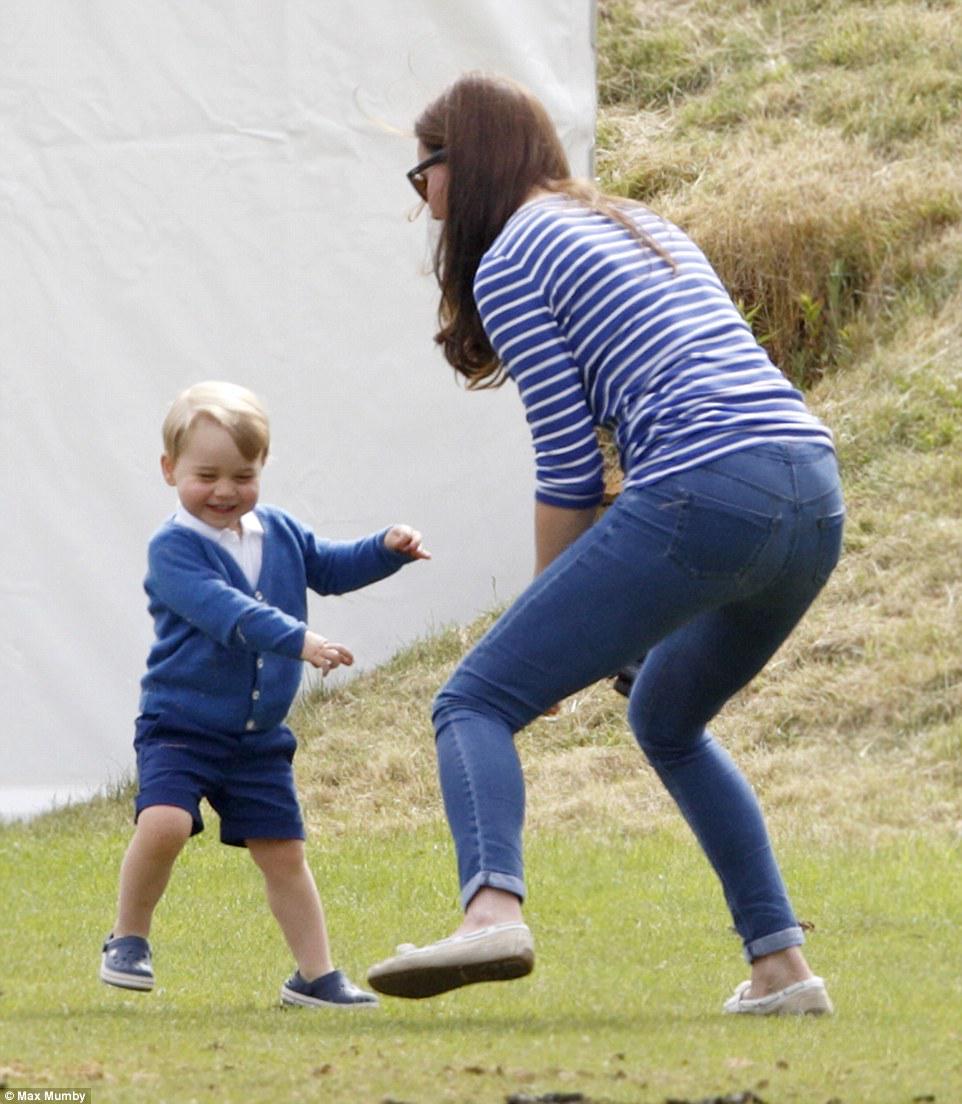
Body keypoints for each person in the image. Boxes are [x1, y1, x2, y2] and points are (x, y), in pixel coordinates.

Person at [366, 73, 844, 1015]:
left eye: (419, 173)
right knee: (666, 718)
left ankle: (490, 912)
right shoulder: (641, 222)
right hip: (810, 489)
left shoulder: (512, 255)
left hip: (706, 482)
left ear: (458, 163)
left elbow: (571, 466)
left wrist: (551, 629)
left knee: (472, 700)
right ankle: (782, 971)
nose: (421, 200)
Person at [101, 380, 430, 1009]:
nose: (225, 490)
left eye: (242, 475)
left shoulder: (277, 530)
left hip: (257, 740)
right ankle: (128, 938)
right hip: (181, 725)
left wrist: (387, 550)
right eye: (206, 475)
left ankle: (315, 976)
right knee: (165, 823)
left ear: (262, 470)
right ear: (169, 470)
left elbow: (331, 566)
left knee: (284, 854)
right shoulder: (171, 549)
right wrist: (302, 641)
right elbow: (228, 613)